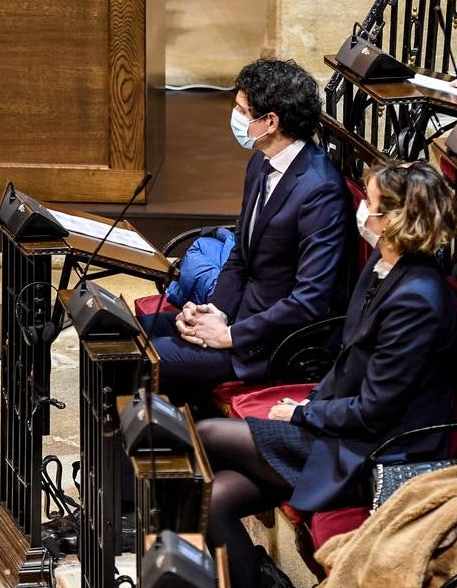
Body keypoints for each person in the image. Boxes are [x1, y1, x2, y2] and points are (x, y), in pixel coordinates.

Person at [196, 162, 457, 588]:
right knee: (214, 499)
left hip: (370, 451)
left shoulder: (418, 298)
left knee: (204, 435)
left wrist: (300, 415)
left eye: (371, 206)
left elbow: (376, 410)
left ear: (394, 221)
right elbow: (349, 365)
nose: (362, 210)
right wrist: (310, 403)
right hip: (336, 425)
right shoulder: (383, 266)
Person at [143, 59, 349, 393]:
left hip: (268, 345)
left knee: (133, 358)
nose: (235, 117)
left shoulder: (319, 190)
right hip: (236, 316)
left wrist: (230, 334)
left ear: (271, 121)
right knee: (122, 333)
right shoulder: (260, 162)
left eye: (242, 110)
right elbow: (240, 250)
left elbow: (310, 298)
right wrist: (214, 310)